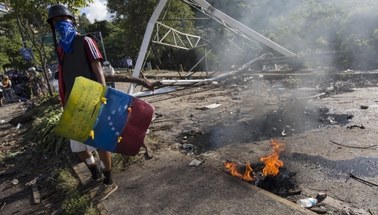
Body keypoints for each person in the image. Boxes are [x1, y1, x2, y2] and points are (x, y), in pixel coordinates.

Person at [47, 4, 153, 203]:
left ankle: (108, 180)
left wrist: (103, 98)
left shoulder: (85, 41)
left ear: (71, 21)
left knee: (101, 142)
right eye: (55, 22)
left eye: (62, 20)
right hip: (74, 103)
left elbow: (98, 71)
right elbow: (66, 79)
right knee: (79, 149)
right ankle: (94, 173)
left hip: (92, 98)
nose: (59, 24)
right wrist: (65, 103)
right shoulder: (62, 50)